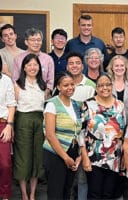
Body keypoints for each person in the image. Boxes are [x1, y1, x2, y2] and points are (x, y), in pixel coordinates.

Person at [79, 74, 125, 199]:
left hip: (114, 158)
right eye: (101, 85)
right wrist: (85, 158)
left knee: (109, 194)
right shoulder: (88, 105)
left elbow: (124, 133)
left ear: (112, 86)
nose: (105, 88)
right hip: (94, 157)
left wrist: (124, 157)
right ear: (96, 88)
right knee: (94, 194)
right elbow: (81, 133)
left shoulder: (120, 105)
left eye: (108, 84)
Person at [43, 72, 82, 200]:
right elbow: (50, 134)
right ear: (58, 87)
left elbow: (79, 131)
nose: (70, 87)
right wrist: (65, 157)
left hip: (72, 151)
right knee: (55, 192)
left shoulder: (76, 105)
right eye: (66, 85)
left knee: (67, 190)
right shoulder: (52, 104)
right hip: (55, 153)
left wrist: (79, 155)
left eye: (72, 84)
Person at [13, 53, 46, 200]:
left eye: (35, 65)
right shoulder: (17, 84)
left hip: (39, 121)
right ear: (24, 68)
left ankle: (33, 194)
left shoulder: (43, 86)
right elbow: (12, 107)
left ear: (39, 67)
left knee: (37, 158)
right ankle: (24, 194)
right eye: (29, 65)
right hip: (22, 121)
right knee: (23, 158)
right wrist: (11, 127)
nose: (33, 68)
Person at [66, 52, 95, 200]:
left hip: (84, 137)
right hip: (65, 137)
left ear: (82, 66)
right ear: (67, 66)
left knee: (82, 176)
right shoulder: (61, 84)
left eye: (77, 63)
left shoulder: (90, 85)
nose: (74, 66)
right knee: (66, 175)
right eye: (71, 63)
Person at [12, 27, 54, 99]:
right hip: (23, 99)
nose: (36, 43)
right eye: (32, 40)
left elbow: (50, 81)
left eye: (38, 40)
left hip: (43, 97)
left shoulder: (48, 59)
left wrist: (45, 94)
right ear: (26, 42)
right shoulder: (18, 59)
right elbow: (15, 80)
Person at [0, 55, 16, 200]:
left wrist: (9, 125)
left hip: (3, 125)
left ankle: (5, 195)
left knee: (5, 164)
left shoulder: (5, 80)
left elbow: (11, 104)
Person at [107, 54, 128, 124]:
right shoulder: (107, 85)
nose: (119, 68)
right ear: (112, 68)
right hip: (111, 125)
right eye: (116, 66)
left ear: (126, 67)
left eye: (122, 65)